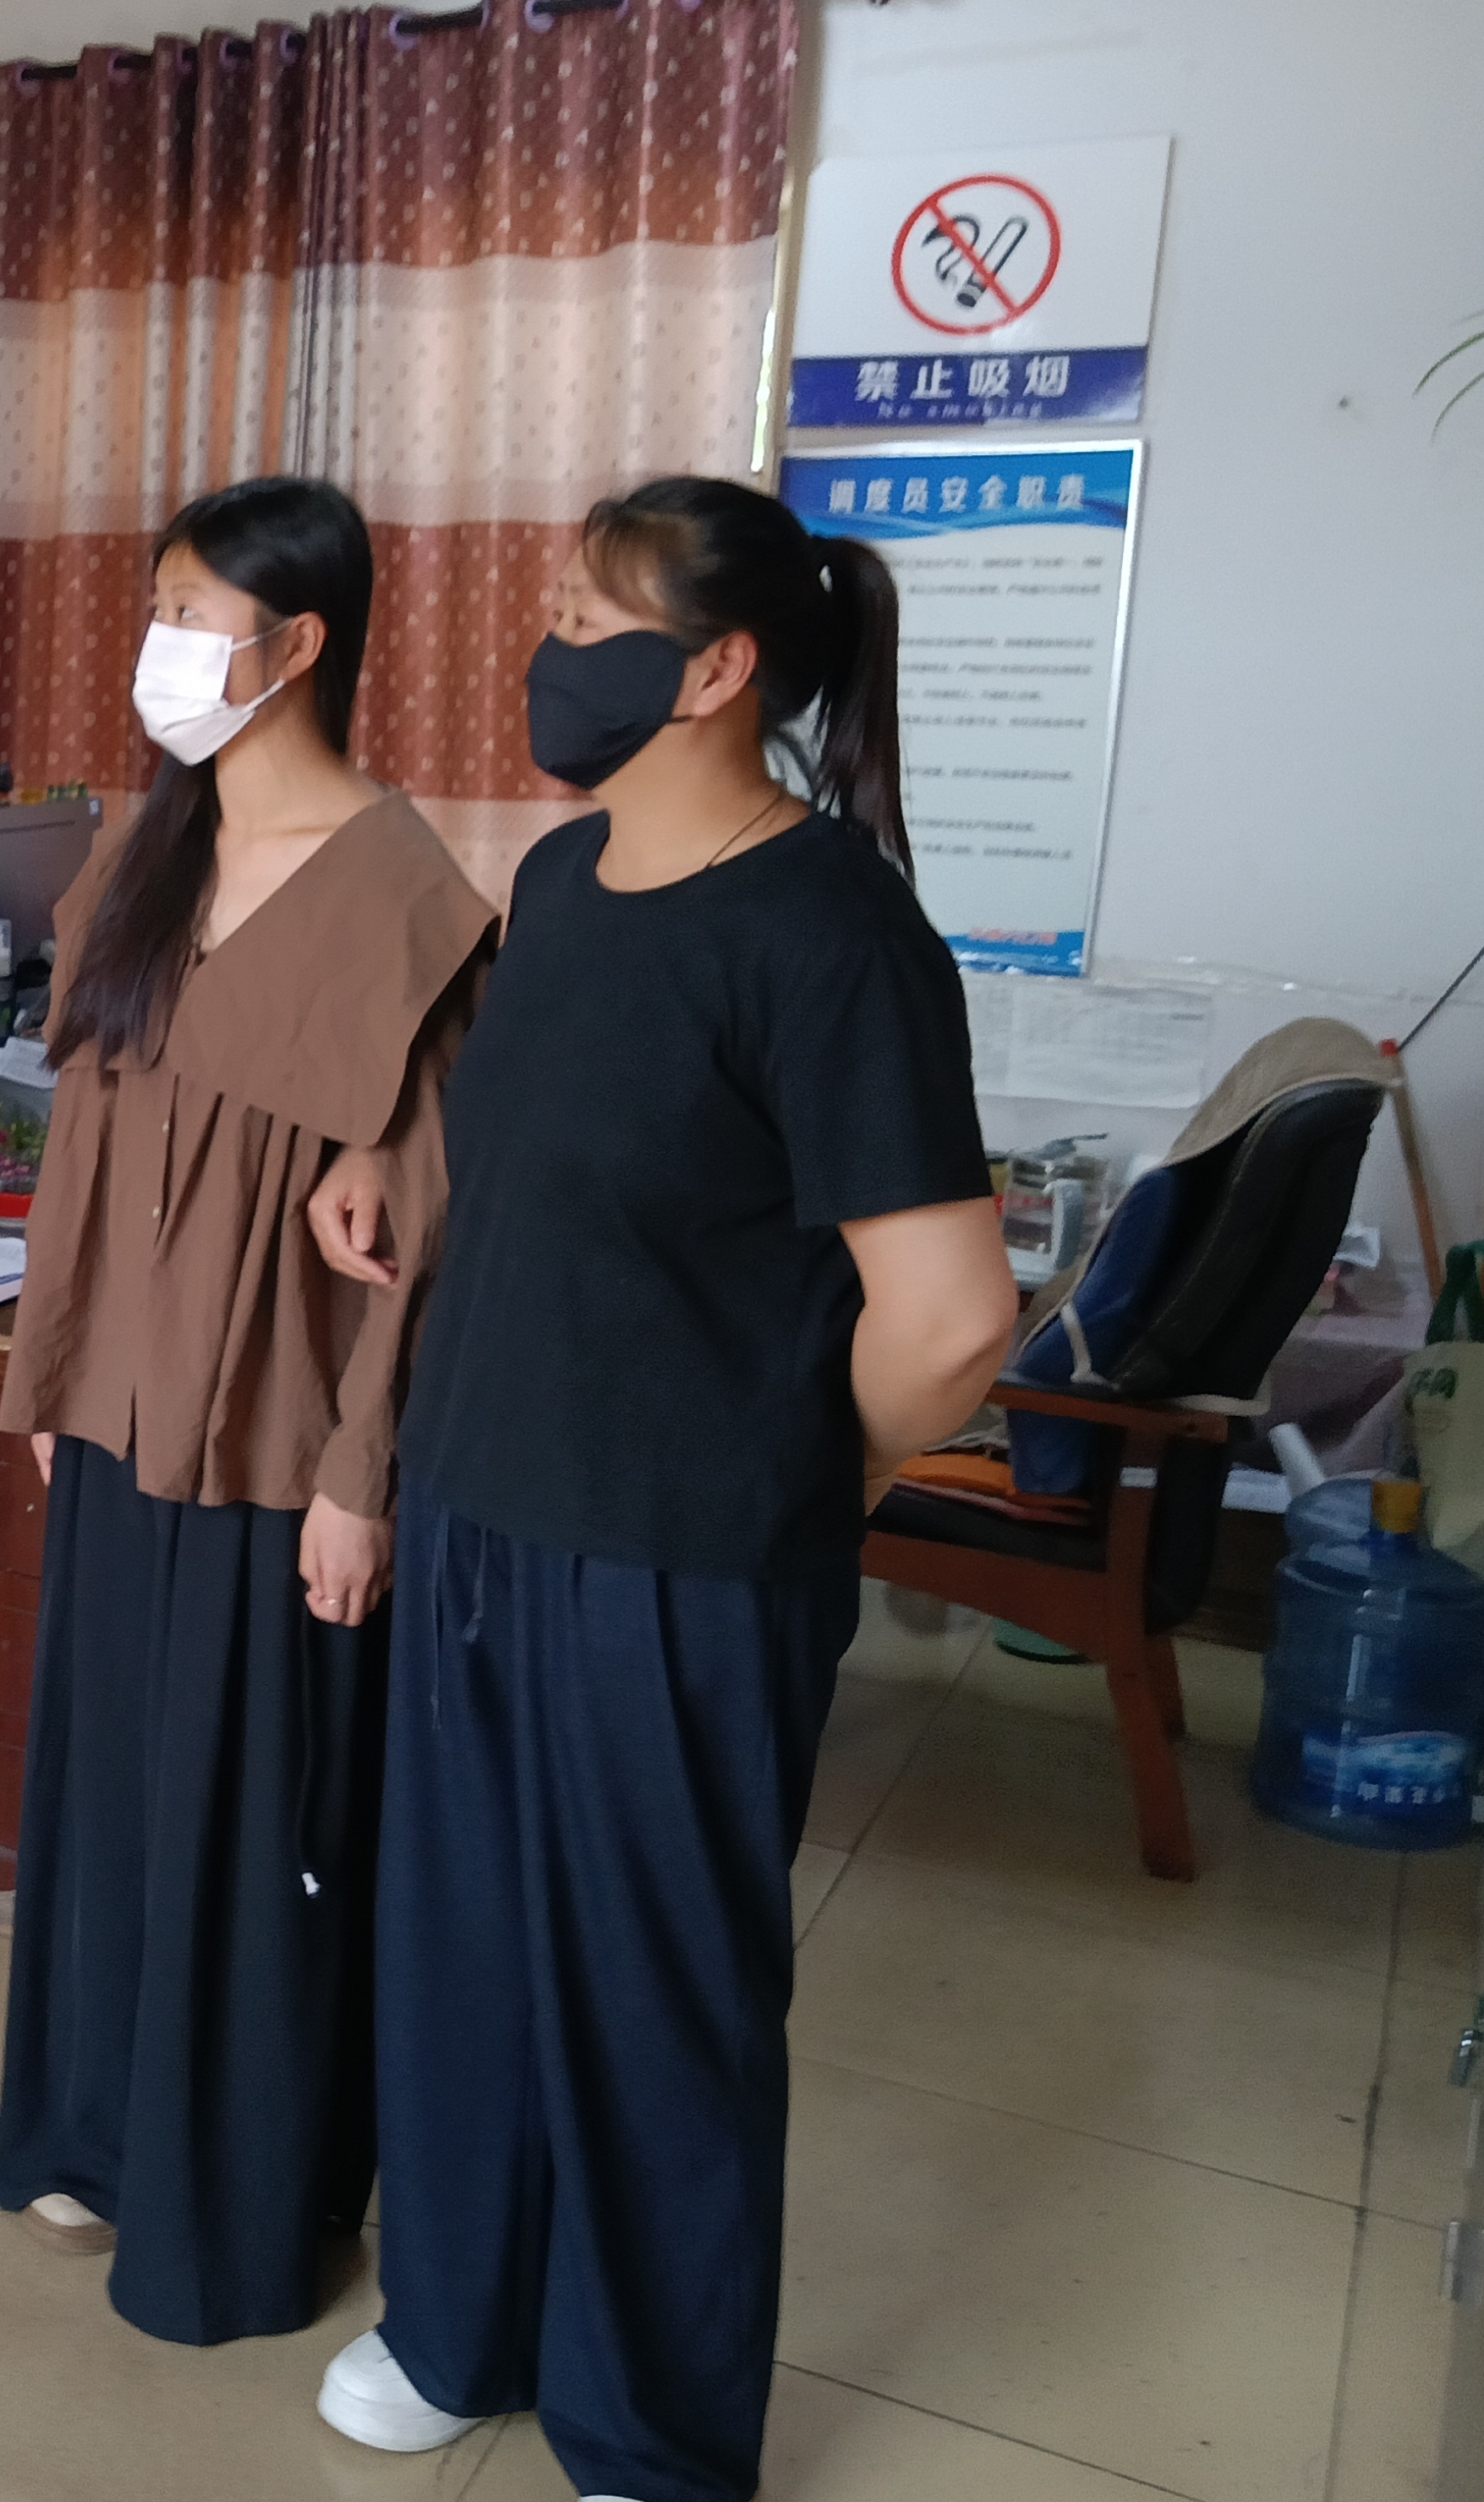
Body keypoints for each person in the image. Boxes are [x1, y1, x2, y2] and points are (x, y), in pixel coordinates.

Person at [308, 477, 1021, 2502]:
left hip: (681, 1560)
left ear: (713, 672)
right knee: (458, 1952)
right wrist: (387, 1196)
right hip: (481, 1507)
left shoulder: (830, 934)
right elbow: (534, 1161)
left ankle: (648, 2425)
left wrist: (813, 1463)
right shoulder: (560, 880)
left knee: (654, 1997)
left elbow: (953, 1315)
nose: (541, 648)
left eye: (579, 617)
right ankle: (457, 2324)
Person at [0, 478, 493, 2346]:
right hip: (115, 1421)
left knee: (256, 1833)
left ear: (300, 644)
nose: (161, 644)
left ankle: (241, 2205)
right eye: (158, 605)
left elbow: (422, 1232)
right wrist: (50, 1373)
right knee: (113, 1797)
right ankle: (90, 2127)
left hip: (279, 1452)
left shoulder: (411, 900)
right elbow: (83, 1141)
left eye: (192, 613)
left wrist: (363, 1480)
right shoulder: (146, 850)